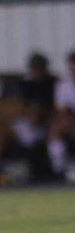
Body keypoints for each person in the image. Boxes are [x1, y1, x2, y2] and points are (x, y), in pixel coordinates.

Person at [0, 51, 56, 178]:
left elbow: (54, 108)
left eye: (39, 67)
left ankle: (57, 167)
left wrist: (39, 114)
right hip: (29, 123)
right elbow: (24, 108)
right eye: (34, 68)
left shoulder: (53, 83)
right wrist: (31, 114)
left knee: (39, 115)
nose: (36, 71)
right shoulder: (27, 85)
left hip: (48, 123)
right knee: (1, 132)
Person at [49, 51, 75, 181]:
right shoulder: (63, 85)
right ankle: (59, 168)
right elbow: (61, 109)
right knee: (56, 129)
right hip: (70, 121)